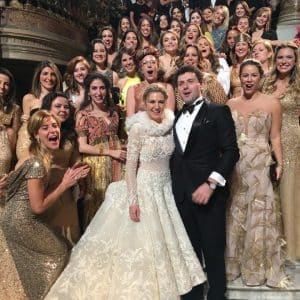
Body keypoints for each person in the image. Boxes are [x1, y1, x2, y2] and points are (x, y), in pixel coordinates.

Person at [45, 84, 206, 300]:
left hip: (165, 189)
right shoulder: (138, 128)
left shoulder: (171, 125)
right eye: (152, 102)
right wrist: (133, 200)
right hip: (144, 188)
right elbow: (130, 167)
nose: (156, 106)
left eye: (160, 101)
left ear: (166, 102)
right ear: (144, 104)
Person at [0, 110, 89, 299]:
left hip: (13, 218)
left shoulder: (32, 156)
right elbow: (38, 206)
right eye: (45, 128)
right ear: (35, 135)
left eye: (55, 126)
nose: (53, 130)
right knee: (59, 253)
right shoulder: (37, 164)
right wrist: (65, 183)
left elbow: (14, 190)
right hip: (22, 221)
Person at [171, 65, 239, 300]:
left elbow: (231, 152)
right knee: (189, 254)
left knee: (213, 252)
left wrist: (211, 184)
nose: (186, 86)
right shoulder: (176, 117)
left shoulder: (218, 111)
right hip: (181, 196)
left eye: (190, 81)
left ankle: (217, 296)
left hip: (209, 195)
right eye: (181, 84)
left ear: (200, 84)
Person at [226, 59, 287, 287]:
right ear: (239, 78)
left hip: (261, 164)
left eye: (253, 75)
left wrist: (280, 163)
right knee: (237, 211)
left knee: (260, 214)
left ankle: (258, 269)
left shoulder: (273, 103)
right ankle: (235, 265)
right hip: (236, 166)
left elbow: (275, 137)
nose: (249, 79)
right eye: (245, 75)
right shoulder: (230, 104)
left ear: (260, 78)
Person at [262, 42, 300, 262]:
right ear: (275, 60)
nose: (284, 61)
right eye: (280, 58)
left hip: (291, 139)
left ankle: (291, 246)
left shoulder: (298, 83)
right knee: (270, 193)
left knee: (289, 191)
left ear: (295, 61)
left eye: (289, 58)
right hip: (267, 140)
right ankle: (272, 244)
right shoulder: (267, 81)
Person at [76, 72, 125, 230]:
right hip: (97, 165)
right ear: (88, 91)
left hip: (118, 162)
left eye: (102, 88)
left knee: (118, 205)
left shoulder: (114, 112)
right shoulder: (83, 115)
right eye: (94, 88)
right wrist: (110, 152)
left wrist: (122, 147)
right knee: (98, 205)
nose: (99, 92)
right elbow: (82, 146)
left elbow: (118, 138)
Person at [41, 92, 84, 246]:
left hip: (67, 188)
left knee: (69, 239)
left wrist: (80, 170)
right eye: (58, 106)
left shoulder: (70, 133)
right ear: (48, 108)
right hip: (45, 186)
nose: (63, 110)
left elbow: (75, 159)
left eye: (66, 107)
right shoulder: (37, 129)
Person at [16, 60, 62, 160]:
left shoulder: (60, 101)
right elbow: (25, 126)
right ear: (38, 77)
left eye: (53, 74)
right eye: (45, 74)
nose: (49, 78)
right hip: (29, 143)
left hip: (51, 144)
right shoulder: (28, 98)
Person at [0, 68, 21, 188]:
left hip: (5, 157)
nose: (2, 87)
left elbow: (15, 140)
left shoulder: (15, 109)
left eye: (6, 84)